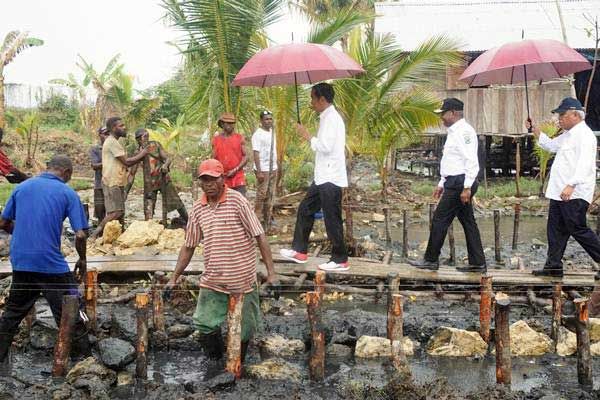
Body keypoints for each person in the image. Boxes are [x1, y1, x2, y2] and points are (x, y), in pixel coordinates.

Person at [164, 159, 277, 361]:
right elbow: (189, 245)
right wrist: (174, 278)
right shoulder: (198, 208)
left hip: (242, 280)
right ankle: (215, 364)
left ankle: (236, 367)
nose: (208, 184)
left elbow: (260, 236)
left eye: (212, 179)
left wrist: (272, 274)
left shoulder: (238, 201)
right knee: (205, 324)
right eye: (204, 180)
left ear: (222, 179)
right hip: (213, 279)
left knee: (244, 329)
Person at [0, 155, 91, 375]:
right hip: (51, 265)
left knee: (12, 313)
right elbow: (80, 234)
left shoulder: (22, 188)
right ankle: (85, 360)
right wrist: (82, 259)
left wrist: (24, 231)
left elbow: (3, 222)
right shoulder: (68, 193)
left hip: (21, 262)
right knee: (72, 307)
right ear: (67, 173)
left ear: (48, 168)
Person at [409, 98, 486, 272]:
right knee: (468, 222)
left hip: (461, 183)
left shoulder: (464, 132)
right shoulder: (454, 132)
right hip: (455, 181)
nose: (441, 118)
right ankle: (478, 263)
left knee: (439, 220)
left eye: (443, 114)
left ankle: (430, 260)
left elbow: (471, 161)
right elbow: (451, 161)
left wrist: (466, 187)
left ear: (453, 113)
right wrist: (442, 182)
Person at [279, 83, 349, 272]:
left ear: (322, 99)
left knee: (332, 217)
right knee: (305, 208)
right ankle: (299, 251)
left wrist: (307, 136)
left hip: (330, 176)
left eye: (312, 98)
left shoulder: (332, 119)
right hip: (322, 176)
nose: (311, 102)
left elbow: (325, 146)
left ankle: (340, 258)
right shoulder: (326, 118)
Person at [527, 97, 600, 278]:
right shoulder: (568, 135)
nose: (559, 119)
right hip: (559, 192)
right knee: (555, 229)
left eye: (562, 115)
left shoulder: (585, 135)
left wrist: (571, 184)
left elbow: (585, 165)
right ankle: (553, 266)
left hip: (574, 193)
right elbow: (551, 146)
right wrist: (535, 131)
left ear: (575, 114)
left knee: (578, 228)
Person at [90, 117, 148, 239]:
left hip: (117, 181)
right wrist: (143, 154)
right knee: (115, 212)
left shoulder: (115, 142)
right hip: (112, 182)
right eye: (121, 126)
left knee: (120, 212)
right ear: (113, 128)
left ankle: (119, 237)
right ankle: (94, 236)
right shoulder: (111, 142)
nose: (124, 127)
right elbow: (126, 162)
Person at [127, 129, 188, 225]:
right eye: (144, 137)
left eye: (147, 136)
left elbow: (167, 158)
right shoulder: (138, 152)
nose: (146, 139)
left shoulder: (155, 145)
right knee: (148, 209)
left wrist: (165, 165)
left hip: (163, 179)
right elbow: (132, 173)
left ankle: (189, 222)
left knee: (176, 202)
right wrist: (126, 190)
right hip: (149, 184)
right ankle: (150, 228)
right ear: (138, 140)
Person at [211, 113, 248, 196]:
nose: (230, 125)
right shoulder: (216, 140)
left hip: (238, 176)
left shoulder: (239, 138)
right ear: (222, 124)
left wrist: (235, 169)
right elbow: (213, 159)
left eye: (232, 123)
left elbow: (246, 156)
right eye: (227, 123)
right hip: (222, 177)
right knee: (224, 203)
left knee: (241, 200)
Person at [252, 110, 277, 225]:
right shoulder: (258, 134)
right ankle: (256, 218)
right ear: (261, 120)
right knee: (261, 194)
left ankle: (268, 217)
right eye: (266, 119)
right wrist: (259, 171)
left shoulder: (272, 132)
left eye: (270, 119)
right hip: (263, 169)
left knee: (270, 193)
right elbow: (256, 153)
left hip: (273, 168)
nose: (269, 121)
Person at [89, 126, 109, 222]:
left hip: (112, 184)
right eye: (105, 134)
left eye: (108, 134)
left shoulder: (115, 147)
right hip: (100, 184)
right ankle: (101, 233)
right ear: (100, 135)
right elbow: (94, 165)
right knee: (100, 211)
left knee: (113, 211)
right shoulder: (96, 149)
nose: (107, 136)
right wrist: (110, 161)